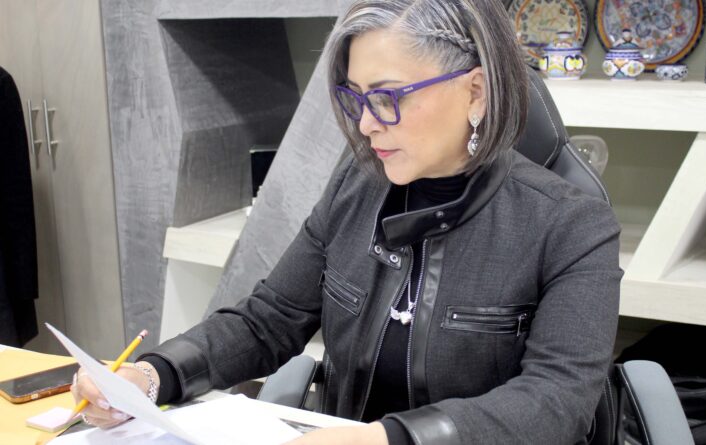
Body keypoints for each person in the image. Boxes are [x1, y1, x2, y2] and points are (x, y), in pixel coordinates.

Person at [70, 1, 623, 443]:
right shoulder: (356, 188)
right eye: (356, 98)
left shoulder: (572, 225)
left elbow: (557, 400)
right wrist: (151, 376)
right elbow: (267, 321)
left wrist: (390, 439)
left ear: (474, 92)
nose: (365, 124)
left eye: (387, 98)